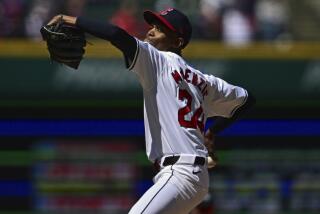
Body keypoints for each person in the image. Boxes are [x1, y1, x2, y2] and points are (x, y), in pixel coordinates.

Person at [46, 7, 255, 214]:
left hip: (181, 174)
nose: (151, 31)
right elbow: (247, 100)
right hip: (188, 176)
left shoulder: (157, 59)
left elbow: (117, 34)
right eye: (153, 25)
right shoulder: (205, 81)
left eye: (161, 29)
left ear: (177, 42)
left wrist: (71, 20)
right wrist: (212, 132)